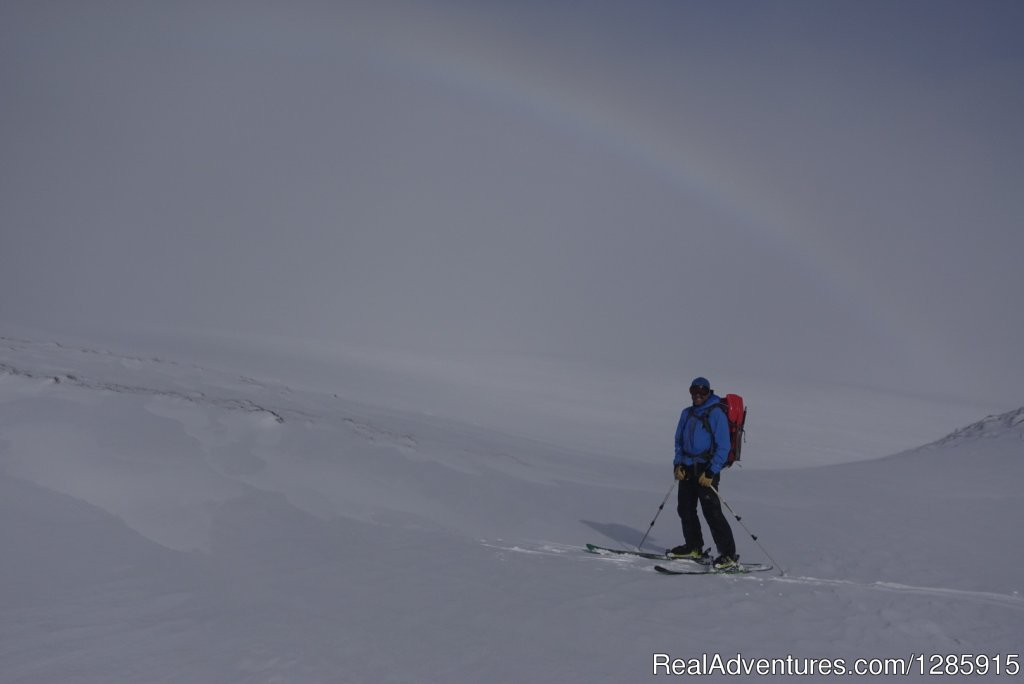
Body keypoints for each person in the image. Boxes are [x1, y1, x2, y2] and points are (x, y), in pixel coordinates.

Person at [668, 376, 738, 569]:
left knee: (712, 512)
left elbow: (723, 446)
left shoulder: (715, 414)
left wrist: (712, 471)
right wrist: (677, 465)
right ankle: (693, 547)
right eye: (694, 392)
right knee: (685, 509)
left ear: (709, 393)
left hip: (706, 470)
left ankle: (728, 555)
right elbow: (679, 442)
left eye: (702, 392)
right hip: (688, 469)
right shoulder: (686, 413)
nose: (698, 396)